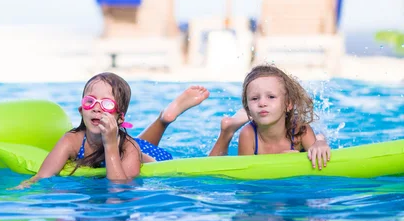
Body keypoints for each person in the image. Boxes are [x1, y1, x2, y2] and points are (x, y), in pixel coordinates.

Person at [16, 72, 247, 187]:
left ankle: (226, 131)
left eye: (106, 104)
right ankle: (164, 118)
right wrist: (15, 192)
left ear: (119, 117)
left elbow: (119, 185)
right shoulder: (72, 140)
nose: (96, 109)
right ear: (80, 110)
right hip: (125, 139)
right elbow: (42, 176)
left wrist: (109, 143)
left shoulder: (129, 147)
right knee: (139, 141)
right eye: (90, 102)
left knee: (199, 168)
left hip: (151, 157)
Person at [237, 64, 331, 169]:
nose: (262, 103)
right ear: (247, 108)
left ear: (288, 104)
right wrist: (279, 161)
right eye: (254, 98)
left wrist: (319, 144)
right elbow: (246, 174)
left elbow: (319, 168)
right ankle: (226, 131)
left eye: (271, 97)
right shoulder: (248, 135)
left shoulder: (300, 132)